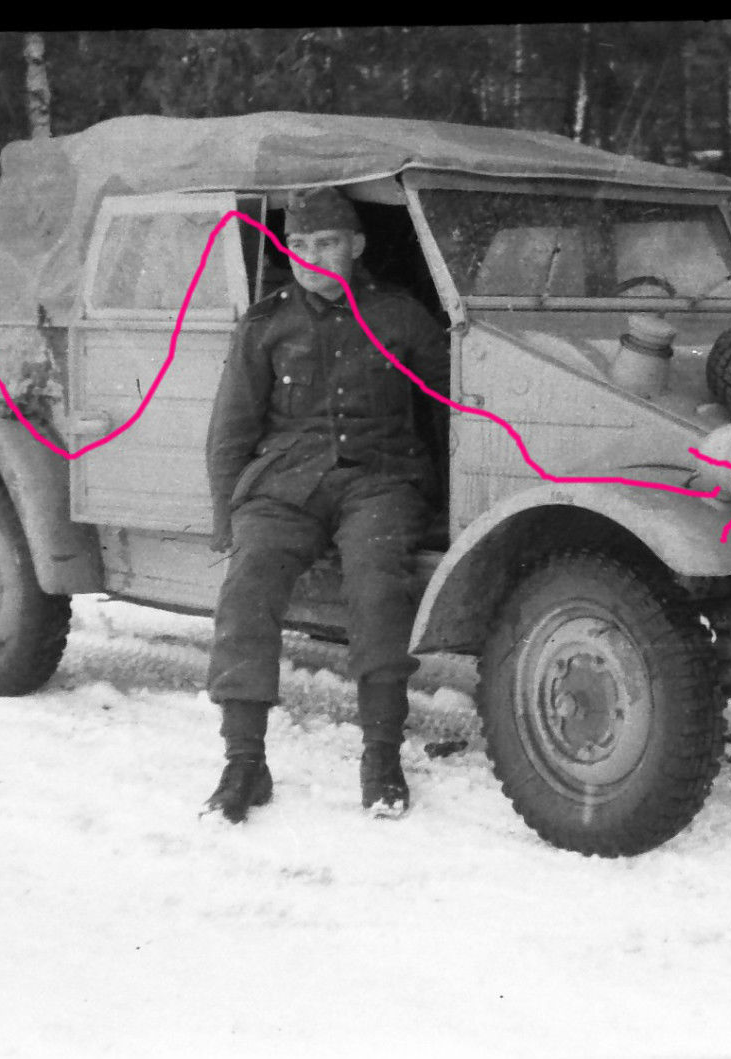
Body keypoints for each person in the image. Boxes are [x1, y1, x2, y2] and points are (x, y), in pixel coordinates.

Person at [201, 185, 450, 823]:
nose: (311, 258)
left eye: (327, 243)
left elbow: (449, 416)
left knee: (377, 585)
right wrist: (227, 520)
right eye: (299, 245)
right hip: (287, 482)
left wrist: (443, 503)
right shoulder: (266, 323)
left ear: (356, 246)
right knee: (248, 582)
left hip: (381, 480)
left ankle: (381, 757)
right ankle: (243, 761)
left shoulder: (403, 318)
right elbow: (230, 428)